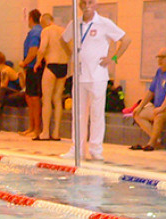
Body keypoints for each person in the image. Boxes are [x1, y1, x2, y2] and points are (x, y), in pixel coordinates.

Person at [61, 0, 131, 161]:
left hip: (98, 76)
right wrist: (71, 55)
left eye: (90, 2)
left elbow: (126, 39)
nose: (87, 6)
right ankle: (76, 149)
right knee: (78, 114)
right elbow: (63, 39)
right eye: (83, 2)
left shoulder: (104, 23)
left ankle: (96, 149)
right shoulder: (75, 23)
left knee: (97, 114)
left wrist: (113, 58)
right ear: (79, 5)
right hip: (79, 76)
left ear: (96, 4)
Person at [130, 48, 166, 151]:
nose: (159, 60)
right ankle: (157, 140)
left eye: (162, 57)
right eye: (158, 57)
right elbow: (151, 91)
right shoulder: (159, 72)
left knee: (159, 116)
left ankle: (151, 143)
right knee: (138, 114)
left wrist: (162, 107)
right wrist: (140, 106)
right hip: (158, 107)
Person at [35, 13, 68, 141]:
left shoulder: (47, 31)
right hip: (63, 66)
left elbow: (42, 48)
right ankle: (56, 133)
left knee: (46, 99)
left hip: (51, 65)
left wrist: (38, 62)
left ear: (44, 22)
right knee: (57, 99)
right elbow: (70, 50)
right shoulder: (64, 30)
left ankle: (45, 132)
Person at [18, 9, 43, 137]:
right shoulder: (40, 31)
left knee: (34, 98)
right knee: (29, 97)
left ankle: (36, 128)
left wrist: (24, 63)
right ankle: (32, 127)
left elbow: (33, 51)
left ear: (31, 18)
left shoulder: (35, 32)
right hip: (34, 68)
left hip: (34, 68)